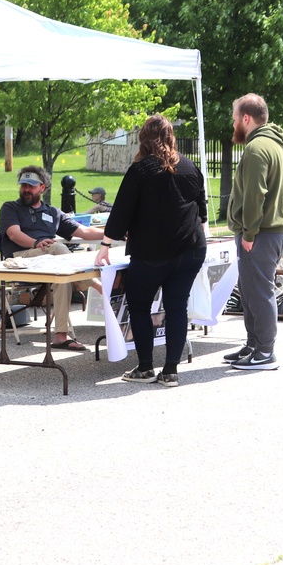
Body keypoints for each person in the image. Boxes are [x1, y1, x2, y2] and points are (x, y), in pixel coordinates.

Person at [95, 114, 208, 387]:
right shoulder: (190, 167)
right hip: (191, 248)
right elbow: (201, 214)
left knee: (140, 306)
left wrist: (105, 245)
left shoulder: (141, 169)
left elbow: (121, 211)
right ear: (171, 137)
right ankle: (170, 370)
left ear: (143, 139)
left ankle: (145, 367)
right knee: (176, 307)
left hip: (153, 253)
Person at [0, 165, 104, 350]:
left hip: (52, 263)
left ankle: (61, 336)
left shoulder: (53, 213)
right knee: (58, 248)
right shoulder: (10, 208)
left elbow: (85, 232)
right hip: (20, 261)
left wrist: (114, 234)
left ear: (42, 188)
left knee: (61, 274)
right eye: (23, 185)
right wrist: (35, 243)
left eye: (31, 185)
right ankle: (96, 285)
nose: (26, 189)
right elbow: (14, 234)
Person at [223, 93, 283, 371]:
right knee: (250, 290)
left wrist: (249, 234)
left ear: (246, 118)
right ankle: (254, 344)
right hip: (272, 230)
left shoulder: (256, 149)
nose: (233, 123)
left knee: (259, 291)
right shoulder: (277, 144)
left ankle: (265, 352)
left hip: (262, 232)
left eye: (234, 117)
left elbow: (255, 195)